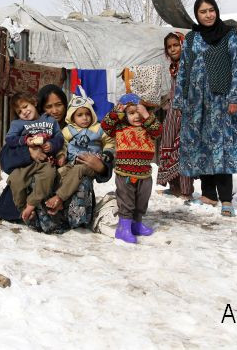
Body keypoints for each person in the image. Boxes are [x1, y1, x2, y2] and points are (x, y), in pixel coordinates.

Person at [0, 84, 114, 233]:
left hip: (66, 182)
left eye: (58, 105)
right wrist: (29, 152)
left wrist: (101, 167)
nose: (54, 110)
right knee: (38, 179)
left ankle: (73, 221)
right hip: (39, 183)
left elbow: (103, 153)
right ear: (39, 106)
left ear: (66, 106)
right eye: (48, 106)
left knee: (82, 179)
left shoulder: (77, 126)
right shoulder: (27, 127)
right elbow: (5, 159)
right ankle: (35, 216)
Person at [174, 0, 237, 217]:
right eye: (203, 11)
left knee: (222, 146)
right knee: (202, 145)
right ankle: (208, 194)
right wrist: (179, 100)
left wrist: (235, 97)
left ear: (217, 11)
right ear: (196, 14)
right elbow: (184, 69)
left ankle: (225, 198)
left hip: (221, 102)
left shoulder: (230, 36)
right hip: (196, 103)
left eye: (211, 10)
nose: (208, 15)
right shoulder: (192, 38)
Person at [101, 93, 162, 244]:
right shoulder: (120, 127)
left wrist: (146, 115)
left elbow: (158, 130)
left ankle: (136, 223)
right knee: (126, 200)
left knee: (142, 199)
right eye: (131, 113)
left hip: (144, 173)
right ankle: (123, 227)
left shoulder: (148, 127)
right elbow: (105, 125)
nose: (136, 116)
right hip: (124, 172)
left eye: (139, 112)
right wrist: (116, 113)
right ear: (125, 115)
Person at [45, 92, 115, 214]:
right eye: (80, 115)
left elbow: (109, 142)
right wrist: (61, 156)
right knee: (59, 173)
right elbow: (63, 145)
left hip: (90, 164)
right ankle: (56, 202)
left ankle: (59, 198)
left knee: (78, 170)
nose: (85, 118)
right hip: (71, 163)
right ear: (72, 117)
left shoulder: (98, 128)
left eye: (87, 114)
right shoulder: (68, 130)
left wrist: (107, 154)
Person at [2, 92, 64, 222]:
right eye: (19, 111)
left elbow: (59, 138)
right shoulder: (18, 124)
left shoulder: (50, 121)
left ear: (34, 103)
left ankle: (31, 205)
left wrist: (51, 145)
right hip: (25, 163)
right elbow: (10, 139)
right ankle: (21, 208)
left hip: (45, 161)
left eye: (25, 106)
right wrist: (25, 141)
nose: (24, 112)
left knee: (48, 176)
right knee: (16, 180)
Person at [156, 32, 195, 200]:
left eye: (175, 45)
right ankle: (174, 187)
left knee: (183, 148)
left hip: (186, 111)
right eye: (169, 47)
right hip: (172, 111)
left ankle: (186, 191)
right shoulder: (173, 66)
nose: (172, 49)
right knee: (168, 144)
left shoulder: (191, 65)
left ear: (183, 45)